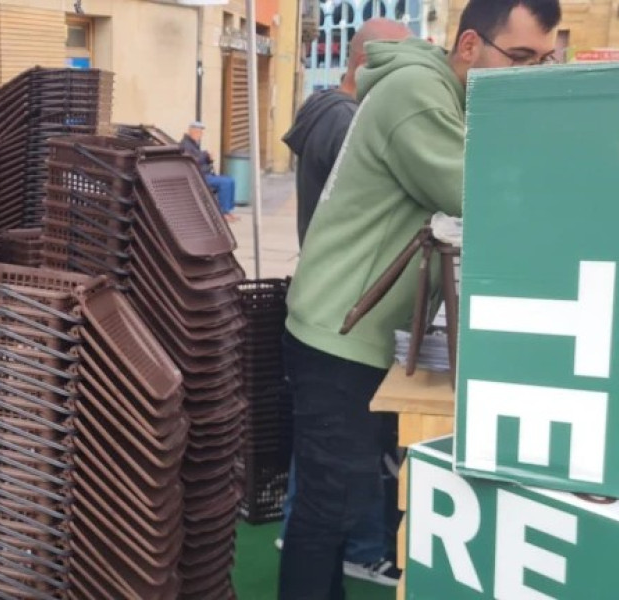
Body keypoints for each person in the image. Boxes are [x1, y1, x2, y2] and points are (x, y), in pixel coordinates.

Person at [279, 1, 561, 598]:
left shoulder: (443, 91)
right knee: (325, 510)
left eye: (544, 60)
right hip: (339, 327)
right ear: (468, 47)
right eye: (518, 57)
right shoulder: (416, 92)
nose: (529, 73)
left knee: (335, 505)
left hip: (356, 324)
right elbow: (474, 192)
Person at [279, 18, 412, 588]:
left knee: (317, 479)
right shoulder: (344, 122)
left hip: (326, 301)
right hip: (334, 308)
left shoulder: (330, 115)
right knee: (322, 489)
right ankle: (346, 548)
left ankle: (324, 542)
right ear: (366, 61)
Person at [180, 121, 239, 222]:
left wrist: (208, 158)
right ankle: (223, 213)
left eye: (201, 132)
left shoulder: (193, 143)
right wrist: (205, 155)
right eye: (198, 132)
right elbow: (193, 160)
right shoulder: (185, 145)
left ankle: (228, 210)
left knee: (230, 180)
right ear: (191, 131)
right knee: (225, 182)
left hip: (204, 174)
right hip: (198, 176)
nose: (200, 135)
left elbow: (199, 158)